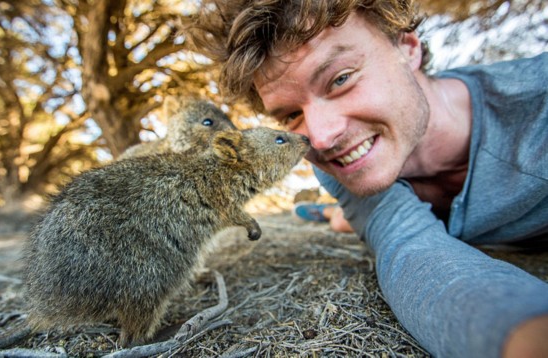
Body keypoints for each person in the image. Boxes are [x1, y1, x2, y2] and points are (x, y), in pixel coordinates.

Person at [188, 1, 548, 357]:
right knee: (354, 219)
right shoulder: (338, 167)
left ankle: (337, 215)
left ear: (408, 48)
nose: (323, 137)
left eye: (341, 79)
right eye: (292, 114)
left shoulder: (536, 101)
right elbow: (410, 248)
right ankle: (333, 214)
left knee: (348, 220)